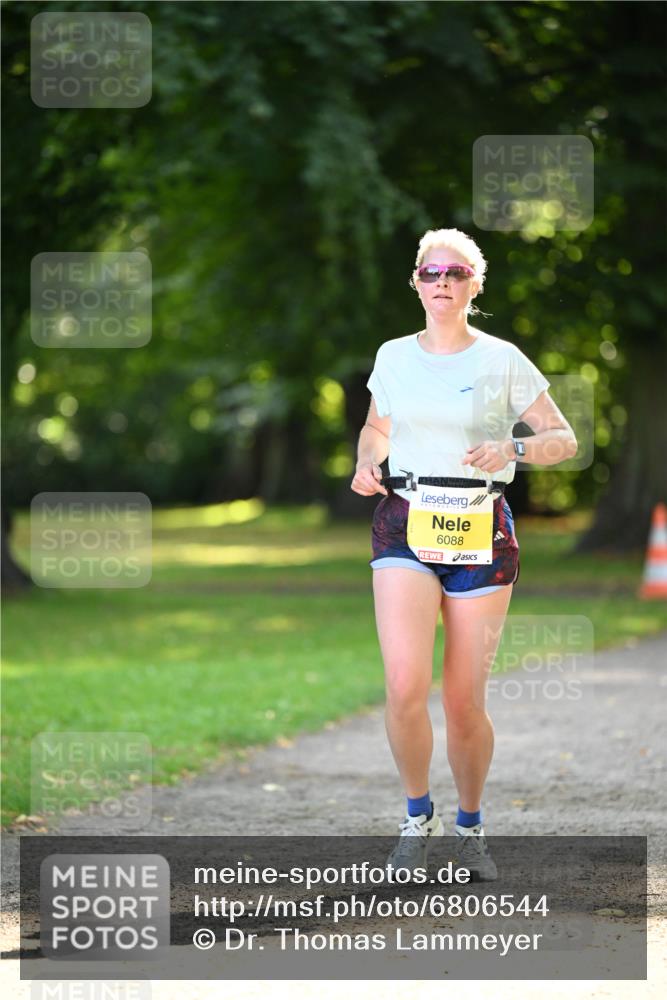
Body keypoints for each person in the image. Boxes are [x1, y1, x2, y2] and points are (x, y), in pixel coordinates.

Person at [350, 228, 577, 880]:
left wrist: (513, 448)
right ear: (417, 283)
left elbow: (562, 438)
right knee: (403, 685)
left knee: (462, 700)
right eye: (431, 272)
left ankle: (470, 827)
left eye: (454, 272)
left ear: (474, 285)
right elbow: (376, 426)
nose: (442, 281)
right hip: (405, 521)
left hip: (480, 526)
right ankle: (415, 817)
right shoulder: (394, 355)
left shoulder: (502, 359)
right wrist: (367, 460)